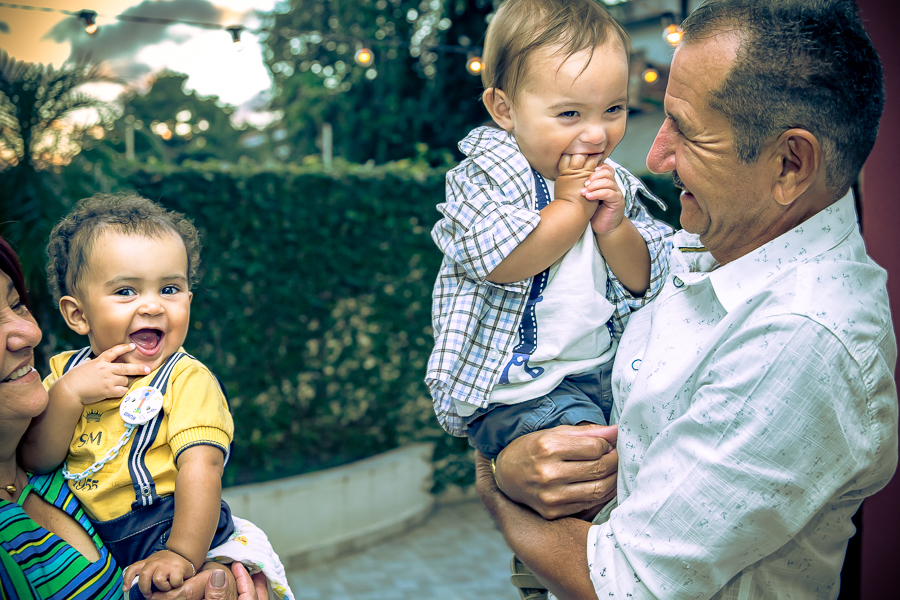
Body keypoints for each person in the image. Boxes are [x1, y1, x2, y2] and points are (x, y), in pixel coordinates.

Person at [476, 0, 898, 598]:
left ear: (789, 163)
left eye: (688, 130)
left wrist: (493, 478)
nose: (654, 156)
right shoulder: (721, 238)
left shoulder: (800, 339)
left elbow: (625, 584)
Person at [427, 0, 672, 494]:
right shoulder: (487, 175)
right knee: (587, 471)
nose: (597, 132)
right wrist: (570, 208)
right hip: (521, 392)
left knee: (652, 454)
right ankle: (568, 566)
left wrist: (613, 227)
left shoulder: (613, 182)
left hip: (603, 371)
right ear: (505, 109)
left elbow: (646, 276)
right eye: (569, 113)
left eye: (614, 109)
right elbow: (497, 260)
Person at [18, 194, 292, 600]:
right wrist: (71, 394)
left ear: (188, 302)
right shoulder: (64, 374)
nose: (152, 305)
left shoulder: (186, 379)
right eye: (126, 291)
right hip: (98, 535)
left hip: (172, 524)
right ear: (78, 315)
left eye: (169, 288)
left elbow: (203, 466)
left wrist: (181, 552)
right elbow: (37, 458)